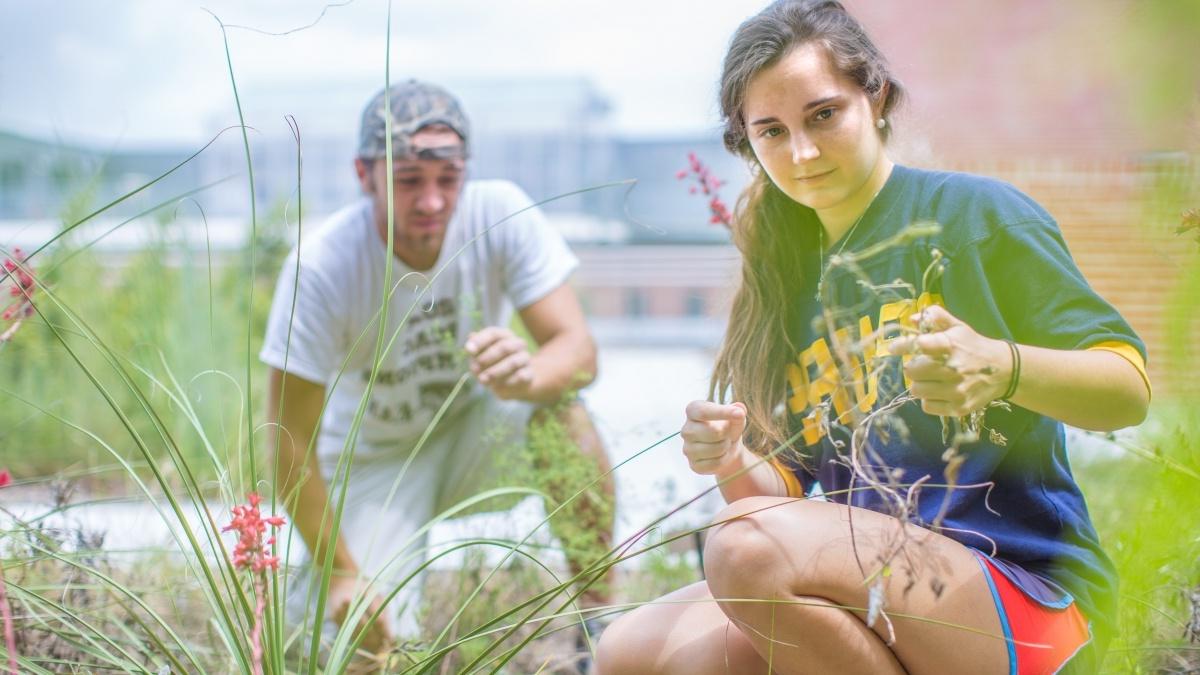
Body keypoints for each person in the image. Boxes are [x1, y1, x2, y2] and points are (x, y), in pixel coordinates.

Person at [596, 2, 1151, 673]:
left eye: (823, 115)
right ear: (747, 140)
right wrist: (730, 455)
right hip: (889, 596)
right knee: (629, 648)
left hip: (1027, 595)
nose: (801, 152)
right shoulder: (785, 284)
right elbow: (781, 497)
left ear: (875, 94)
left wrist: (1000, 365)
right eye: (771, 131)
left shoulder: (973, 216)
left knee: (742, 549)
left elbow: (1128, 389)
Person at [260, 80, 615, 654]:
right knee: (354, 644)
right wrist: (341, 572)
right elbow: (286, 440)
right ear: (364, 173)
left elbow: (577, 351)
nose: (431, 201)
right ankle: (346, 593)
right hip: (375, 460)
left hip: (472, 433)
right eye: (408, 181)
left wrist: (527, 376)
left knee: (563, 416)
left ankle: (600, 625)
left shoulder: (500, 212)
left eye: (448, 180)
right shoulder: (322, 266)